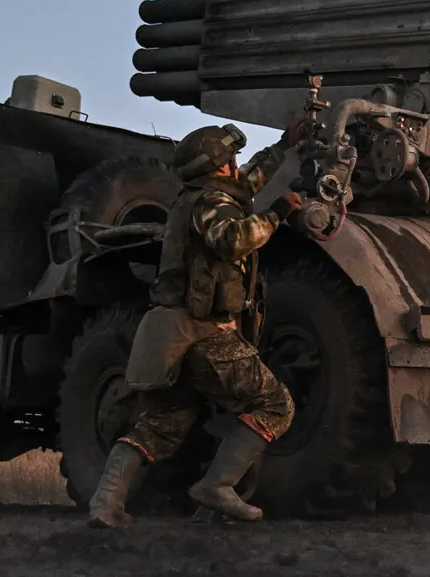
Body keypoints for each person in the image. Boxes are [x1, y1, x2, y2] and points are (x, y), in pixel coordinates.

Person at [87, 118, 310, 529]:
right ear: (217, 165)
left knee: (158, 427)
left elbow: (249, 182)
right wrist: (278, 213)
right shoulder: (210, 202)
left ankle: (105, 504)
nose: (237, 164)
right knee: (275, 404)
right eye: (231, 158)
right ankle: (217, 487)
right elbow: (233, 241)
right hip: (203, 331)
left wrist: (285, 144)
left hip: (171, 335)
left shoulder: (201, 197)